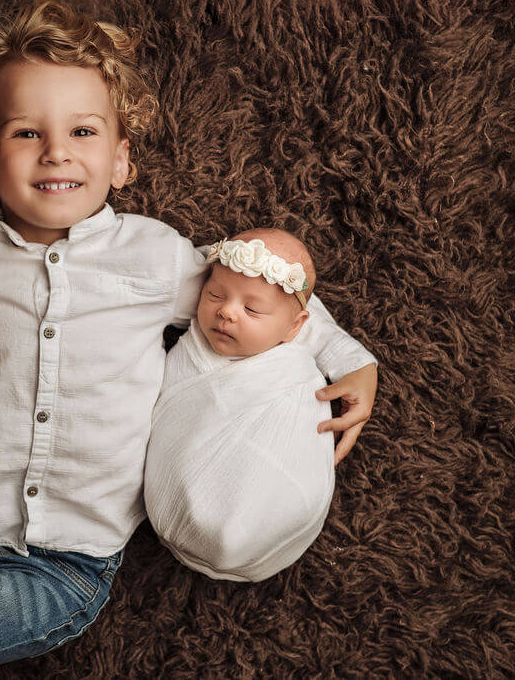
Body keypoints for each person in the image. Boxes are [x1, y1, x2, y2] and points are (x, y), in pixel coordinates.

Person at [0, 0, 379, 678]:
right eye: (26, 133)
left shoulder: (156, 257)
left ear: (120, 160)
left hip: (67, 563)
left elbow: (263, 287)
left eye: (83, 131)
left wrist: (350, 358)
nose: (57, 151)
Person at [146, 229, 368, 582]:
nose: (227, 312)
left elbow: (314, 325)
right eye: (214, 294)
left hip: (263, 505)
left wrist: (359, 366)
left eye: (252, 308)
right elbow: (182, 267)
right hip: (174, 495)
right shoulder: (196, 338)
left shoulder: (290, 363)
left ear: (294, 327)